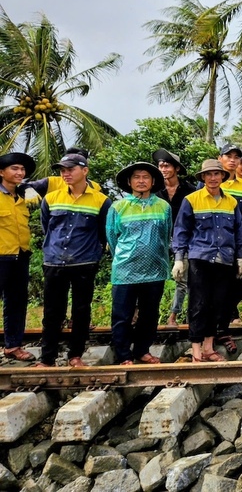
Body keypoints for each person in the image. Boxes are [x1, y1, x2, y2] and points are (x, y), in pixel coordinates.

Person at [37, 153, 112, 367]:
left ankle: (75, 355)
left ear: (85, 170)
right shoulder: (51, 198)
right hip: (54, 262)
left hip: (84, 263)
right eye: (62, 170)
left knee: (81, 311)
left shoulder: (101, 201)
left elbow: (103, 233)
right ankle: (47, 358)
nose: (65, 174)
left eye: (70, 169)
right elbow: (47, 228)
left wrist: (94, 255)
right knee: (52, 312)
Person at [173, 159, 242, 363]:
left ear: (223, 176)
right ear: (203, 177)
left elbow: (238, 232)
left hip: (224, 259)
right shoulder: (192, 200)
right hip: (200, 259)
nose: (213, 178)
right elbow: (181, 230)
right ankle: (196, 351)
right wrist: (179, 259)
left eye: (217, 174)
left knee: (218, 303)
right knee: (198, 304)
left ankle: (208, 347)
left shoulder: (231, 202)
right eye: (209, 174)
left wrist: (240, 257)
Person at [106, 162, 172, 364]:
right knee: (122, 315)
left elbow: (166, 234)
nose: (141, 181)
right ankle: (124, 354)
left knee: (149, 315)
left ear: (153, 181)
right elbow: (112, 237)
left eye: (146, 177)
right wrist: (127, 255)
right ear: (129, 181)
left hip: (155, 269)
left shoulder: (164, 207)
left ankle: (142, 350)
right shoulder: (118, 207)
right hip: (125, 270)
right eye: (137, 177)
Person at [214, 143, 242, 352]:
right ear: (220, 158)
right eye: (228, 156)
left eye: (236, 157)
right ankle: (215, 332)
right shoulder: (210, 183)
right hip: (212, 248)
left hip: (237, 247)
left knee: (241, 282)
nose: (232, 160)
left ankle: (222, 326)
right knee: (212, 290)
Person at [153, 148, 197, 327]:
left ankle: (174, 316)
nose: (163, 169)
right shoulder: (155, 192)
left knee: (182, 280)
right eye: (161, 166)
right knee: (155, 279)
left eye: (167, 166)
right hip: (159, 241)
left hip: (185, 241)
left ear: (176, 169)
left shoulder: (190, 190)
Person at [0, 152, 37, 361]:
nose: (19, 173)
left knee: (16, 302)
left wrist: (28, 187)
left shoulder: (22, 195)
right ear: (1, 172)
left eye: (22, 169)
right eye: (15, 168)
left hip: (20, 255)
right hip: (1, 255)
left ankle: (13, 346)